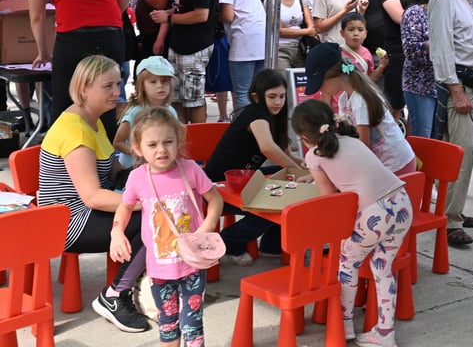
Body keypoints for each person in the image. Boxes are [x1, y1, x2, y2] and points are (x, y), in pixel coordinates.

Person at [37, 55, 149, 333]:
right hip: (67, 222)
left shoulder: (94, 121)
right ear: (85, 88)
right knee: (152, 220)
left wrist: (153, 175)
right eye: (108, 86)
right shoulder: (75, 130)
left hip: (84, 210)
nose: (117, 92)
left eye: (118, 83)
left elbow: (113, 173)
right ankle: (115, 296)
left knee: (161, 205)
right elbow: (93, 197)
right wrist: (145, 199)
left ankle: (140, 283)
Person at [290, 99, 412, 347]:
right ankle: (385, 332)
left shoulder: (314, 155)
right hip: (401, 204)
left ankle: (344, 323)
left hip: (374, 214)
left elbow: (329, 200)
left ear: (303, 135)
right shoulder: (352, 140)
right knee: (382, 268)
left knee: (347, 262)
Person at [110, 107, 223, 347]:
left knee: (193, 325)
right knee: (168, 324)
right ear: (138, 148)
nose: (161, 150)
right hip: (159, 269)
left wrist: (207, 226)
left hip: (192, 263)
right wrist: (116, 232)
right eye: (152, 145)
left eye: (168, 142)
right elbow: (125, 206)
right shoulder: (137, 178)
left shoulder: (191, 169)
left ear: (178, 141)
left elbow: (216, 199)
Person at [27, 0, 130, 139]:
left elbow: (36, 15)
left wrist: (44, 51)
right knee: (108, 98)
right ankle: (108, 165)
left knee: (64, 102)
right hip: (109, 32)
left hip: (70, 34)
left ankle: (60, 163)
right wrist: (113, 15)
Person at [204, 69, 307, 265]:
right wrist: (297, 169)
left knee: (286, 187)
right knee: (275, 203)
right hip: (219, 185)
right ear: (256, 96)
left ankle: (271, 246)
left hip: (243, 179)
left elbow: (286, 152)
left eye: (282, 96)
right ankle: (230, 241)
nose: (278, 101)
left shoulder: (273, 115)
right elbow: (268, 148)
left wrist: (303, 164)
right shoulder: (255, 113)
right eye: (272, 97)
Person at [428, 0, 473, 246]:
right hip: (460, 86)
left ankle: (455, 212)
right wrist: (456, 90)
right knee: (460, 153)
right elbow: (441, 48)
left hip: (472, 84)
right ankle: (450, 220)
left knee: (463, 151)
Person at [304, 43, 417, 176]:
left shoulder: (360, 102)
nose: (320, 90)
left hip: (396, 167)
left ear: (334, 78)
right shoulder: (344, 99)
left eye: (320, 85)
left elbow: (363, 149)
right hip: (380, 165)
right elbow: (347, 137)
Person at [150, 0, 217, 124]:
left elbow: (201, 14)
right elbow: (183, 6)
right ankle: (180, 139)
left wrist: (169, 18)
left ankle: (197, 143)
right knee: (176, 97)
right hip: (179, 44)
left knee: (193, 99)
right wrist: (169, 14)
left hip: (195, 46)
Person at [204, 0, 266, 111]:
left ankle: (242, 132)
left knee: (242, 93)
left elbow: (228, 15)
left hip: (244, 39)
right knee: (257, 92)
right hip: (260, 38)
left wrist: (210, 17)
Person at [380, 0, 427, 123]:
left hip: (423, 54)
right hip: (398, 52)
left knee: (418, 111)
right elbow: (399, 16)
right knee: (396, 106)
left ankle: (413, 148)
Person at [401, 0, 449, 138]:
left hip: (443, 85)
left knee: (438, 138)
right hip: (419, 86)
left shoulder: (447, 11)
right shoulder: (414, 13)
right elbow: (411, 50)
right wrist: (434, 45)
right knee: (423, 136)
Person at [113, 56, 178, 169]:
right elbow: (118, 142)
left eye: (165, 81)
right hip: (133, 168)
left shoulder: (171, 111)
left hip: (161, 167)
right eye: (153, 82)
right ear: (141, 86)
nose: (160, 85)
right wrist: (143, 153)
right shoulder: (135, 111)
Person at [277, 0, 317, 72]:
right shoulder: (271, 0)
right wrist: (306, 32)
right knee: (284, 83)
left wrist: (307, 31)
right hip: (280, 49)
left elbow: (311, 27)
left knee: (301, 85)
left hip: (301, 48)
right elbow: (279, 30)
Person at [340, 12, 388, 81]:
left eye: (360, 30)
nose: (356, 34)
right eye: (351, 29)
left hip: (362, 91)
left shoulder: (366, 53)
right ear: (342, 33)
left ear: (365, 33)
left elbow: (371, 79)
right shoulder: (337, 53)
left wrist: (381, 66)